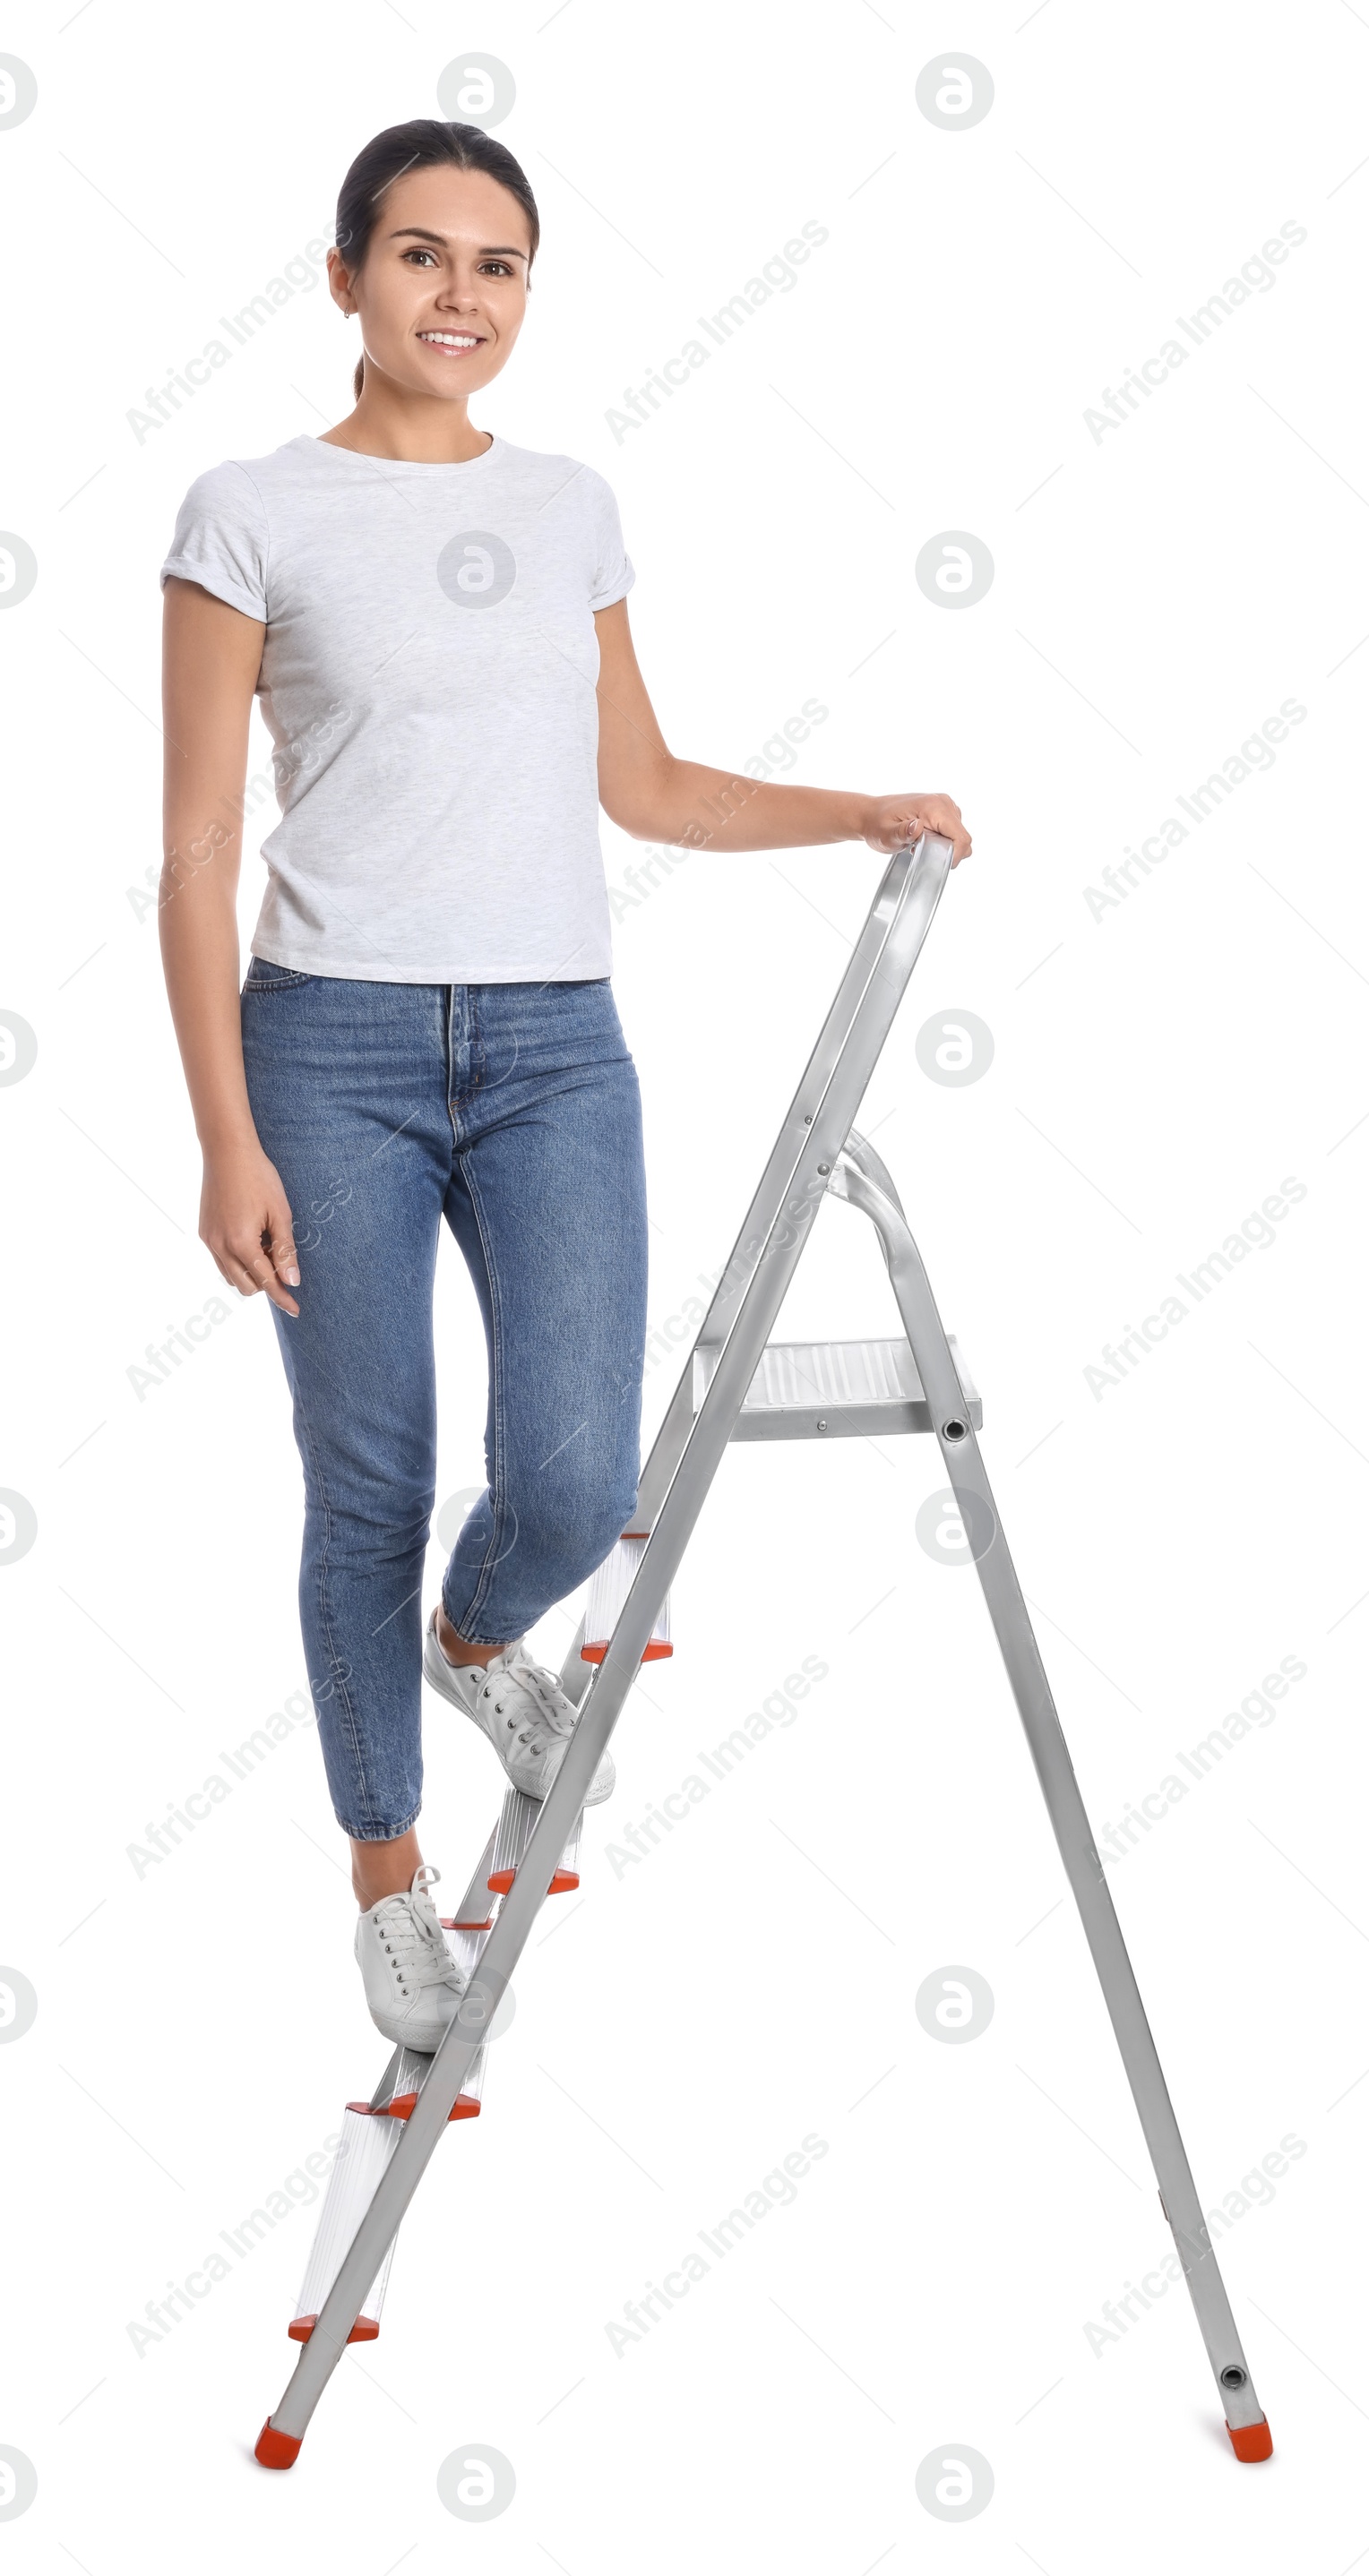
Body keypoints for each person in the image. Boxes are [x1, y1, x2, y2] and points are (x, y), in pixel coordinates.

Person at [158, 117, 971, 2058]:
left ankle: (471, 1635)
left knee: (576, 1479)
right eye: (420, 256)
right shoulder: (244, 509)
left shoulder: (570, 505)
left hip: (549, 1050)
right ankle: (383, 1878)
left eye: (497, 265)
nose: (459, 295)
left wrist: (849, 806)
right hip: (327, 1049)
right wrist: (221, 1134)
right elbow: (195, 845)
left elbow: (647, 784)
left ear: (525, 295)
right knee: (364, 1477)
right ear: (344, 277)